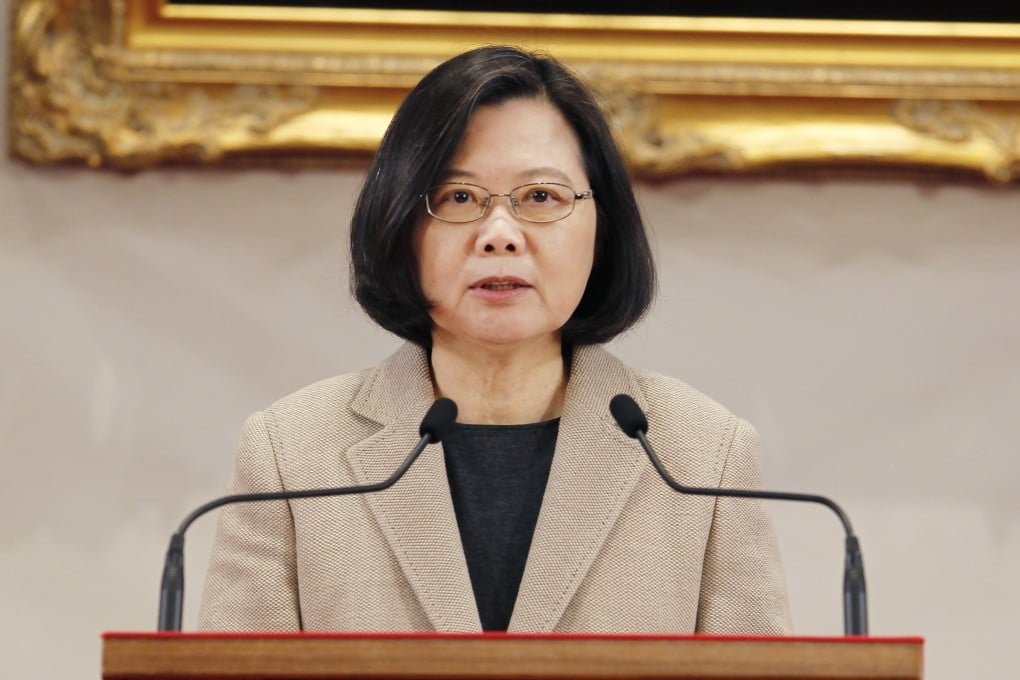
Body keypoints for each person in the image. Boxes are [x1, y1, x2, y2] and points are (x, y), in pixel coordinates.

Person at [198, 45, 791, 634]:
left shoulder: (703, 456)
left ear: (601, 226)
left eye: (541, 197)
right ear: (401, 223)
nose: (500, 234)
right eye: (459, 198)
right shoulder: (292, 457)